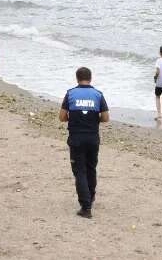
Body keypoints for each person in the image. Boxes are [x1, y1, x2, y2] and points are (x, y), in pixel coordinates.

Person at [58, 67, 109, 219]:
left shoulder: (71, 93)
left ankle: (86, 207)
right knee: (91, 168)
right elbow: (106, 118)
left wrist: (72, 118)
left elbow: (61, 117)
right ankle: (91, 197)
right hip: (93, 138)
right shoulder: (98, 95)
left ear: (77, 78)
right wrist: (94, 120)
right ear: (90, 78)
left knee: (79, 171)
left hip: (76, 138)